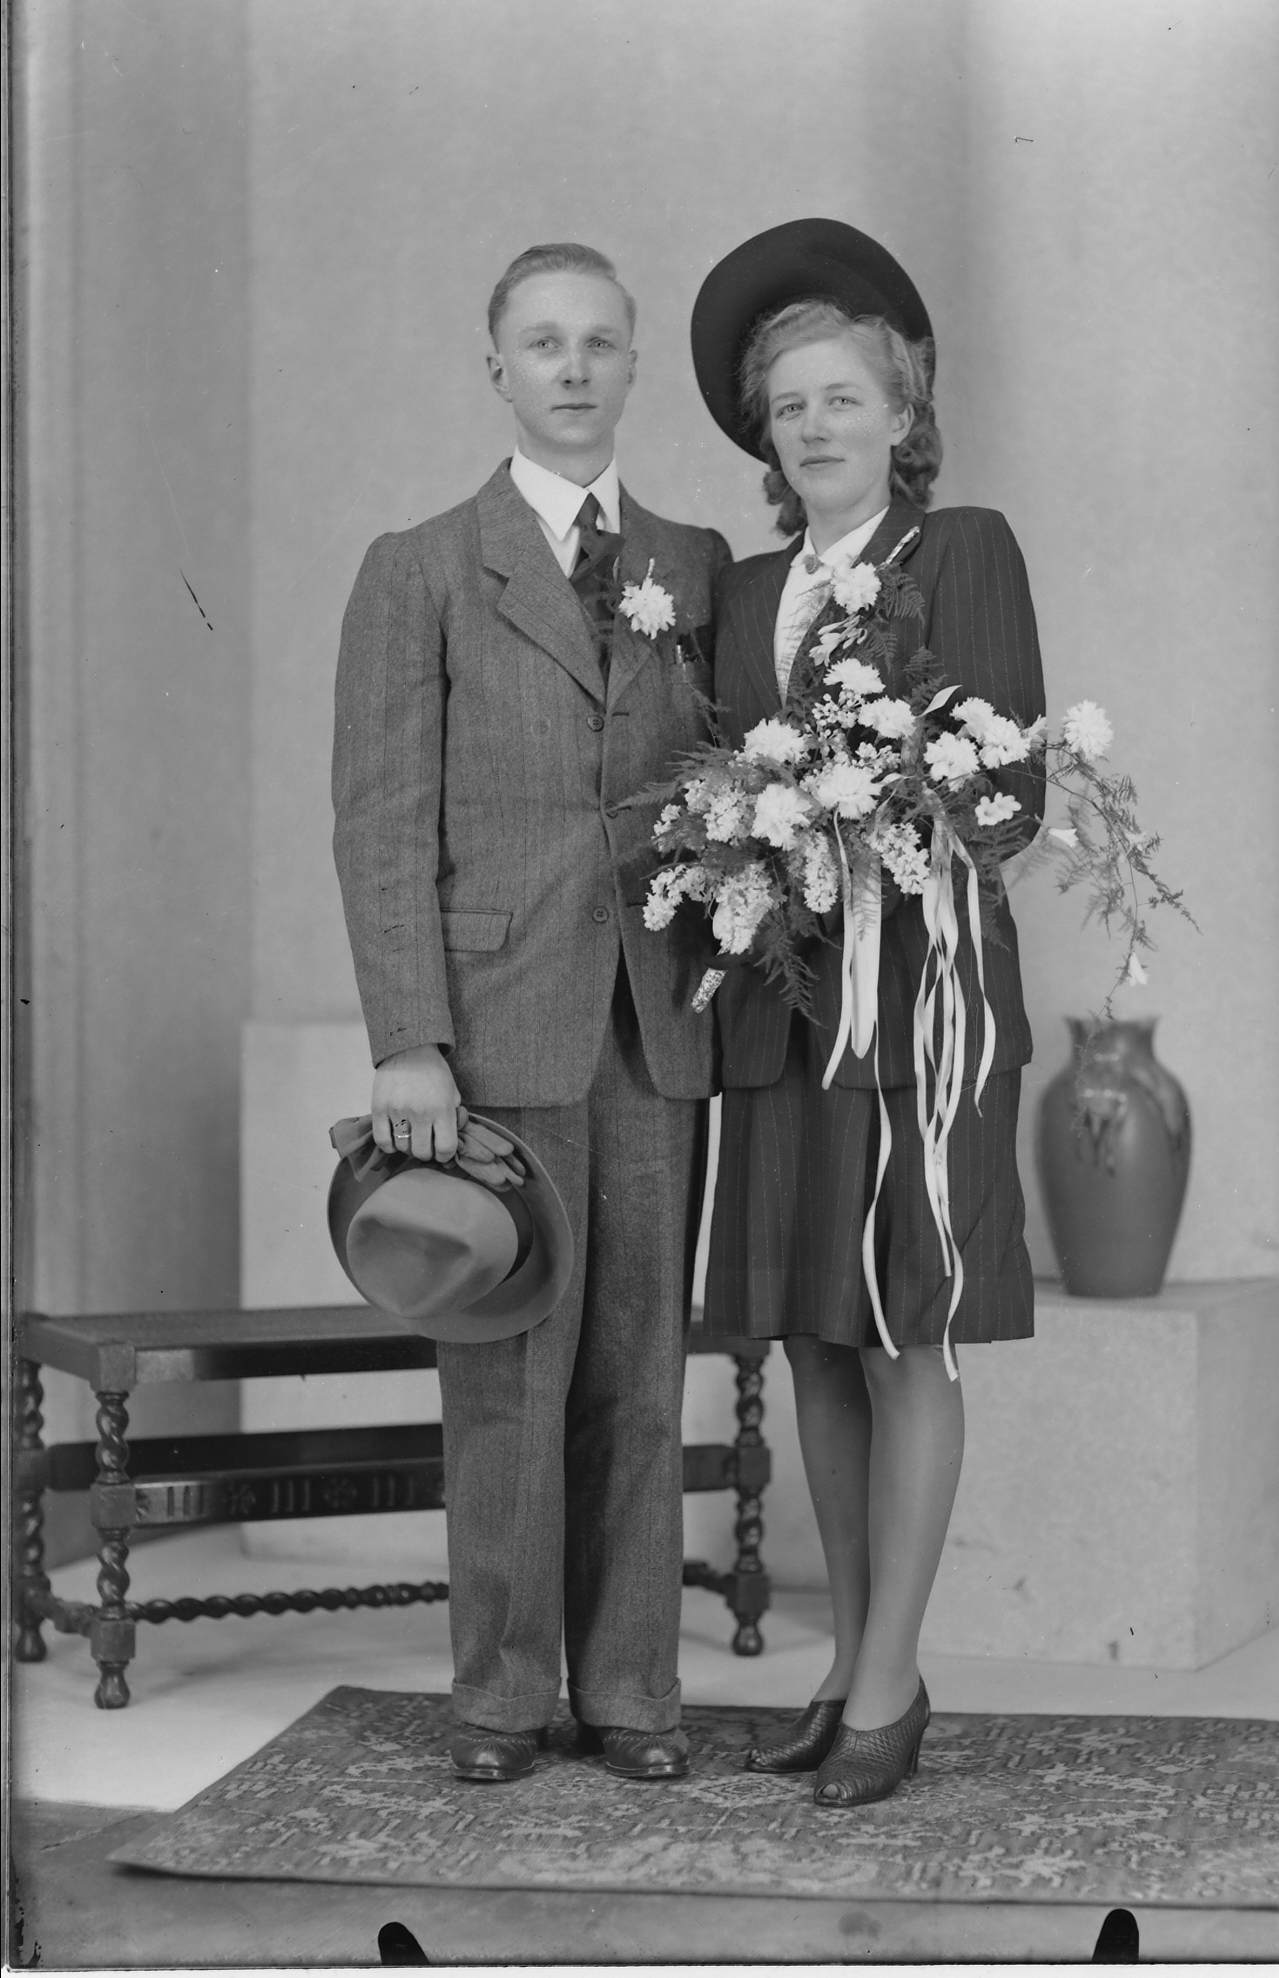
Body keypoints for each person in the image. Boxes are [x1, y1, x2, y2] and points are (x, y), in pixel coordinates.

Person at [333, 243, 729, 1786]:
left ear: (632, 366)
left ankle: (631, 1690)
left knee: (640, 1373)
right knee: (507, 1379)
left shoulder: (695, 564)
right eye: (544, 343)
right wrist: (407, 1039)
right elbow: (382, 821)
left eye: (600, 343)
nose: (573, 368)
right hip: (494, 1026)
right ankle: (503, 1697)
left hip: (656, 1023)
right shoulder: (422, 566)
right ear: (494, 367)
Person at [690, 220, 1045, 1807]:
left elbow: (1011, 795)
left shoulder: (959, 548)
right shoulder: (744, 588)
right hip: (786, 1014)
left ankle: (892, 1680)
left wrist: (873, 800)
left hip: (918, 1008)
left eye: (844, 398)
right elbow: (711, 788)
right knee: (816, 1342)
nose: (816, 426)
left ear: (902, 413)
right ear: (766, 441)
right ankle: (847, 1662)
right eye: (791, 408)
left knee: (905, 1334)